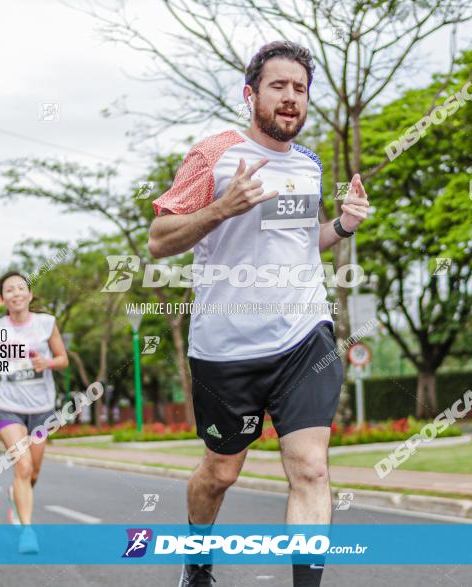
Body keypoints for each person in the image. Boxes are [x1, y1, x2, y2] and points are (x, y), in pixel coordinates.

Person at [148, 41, 370, 587]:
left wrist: (341, 226)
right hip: (226, 350)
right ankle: (197, 561)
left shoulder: (310, 163)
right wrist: (222, 207)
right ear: (251, 94)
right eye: (279, 86)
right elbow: (158, 241)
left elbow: (297, 242)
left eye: (300, 89)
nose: (291, 98)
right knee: (220, 472)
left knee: (312, 468)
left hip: (303, 338)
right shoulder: (214, 154)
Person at [0, 271, 69, 554]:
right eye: (9, 290)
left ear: (29, 295)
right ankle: (27, 531)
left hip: (42, 409)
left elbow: (63, 359)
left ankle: (15, 495)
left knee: (34, 470)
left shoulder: (46, 323)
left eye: (21, 288)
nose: (15, 294)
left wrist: (48, 363)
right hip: (8, 407)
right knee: (23, 465)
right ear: (1, 298)